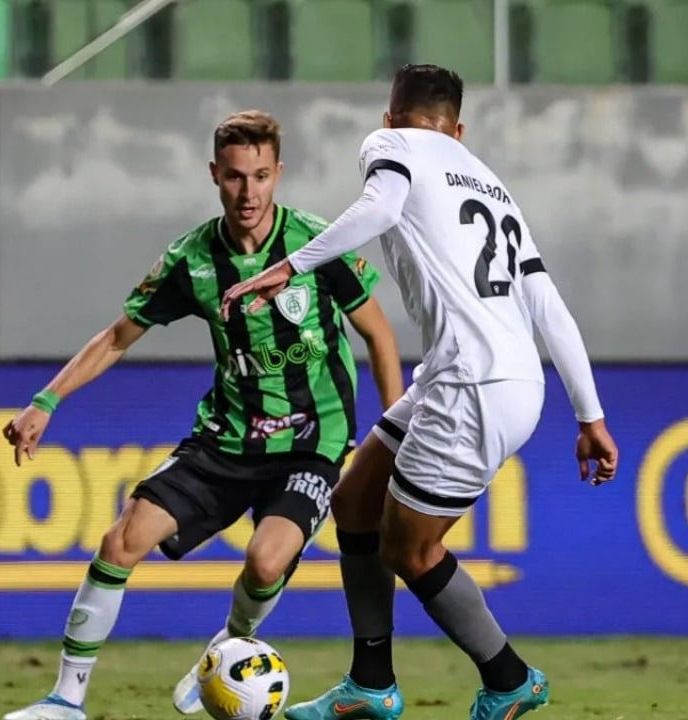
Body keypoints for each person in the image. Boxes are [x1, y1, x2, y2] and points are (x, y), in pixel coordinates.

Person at [220, 65, 620, 720]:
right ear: (457, 130)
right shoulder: (494, 188)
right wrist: (590, 414)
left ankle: (509, 677)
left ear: (390, 118)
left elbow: (381, 207)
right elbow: (548, 308)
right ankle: (371, 684)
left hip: (473, 384)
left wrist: (290, 265)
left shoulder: (392, 147)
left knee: (409, 547)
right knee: (353, 501)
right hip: (495, 378)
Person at [1, 109, 404, 720]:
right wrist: (46, 400)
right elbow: (116, 336)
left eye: (262, 176)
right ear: (216, 175)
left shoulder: (319, 244)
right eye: (237, 177)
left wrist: (391, 436)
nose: (249, 192)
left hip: (311, 442)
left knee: (266, 560)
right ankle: (65, 700)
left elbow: (379, 336)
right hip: (225, 440)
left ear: (278, 174)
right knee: (120, 540)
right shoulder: (191, 260)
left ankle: (226, 644)